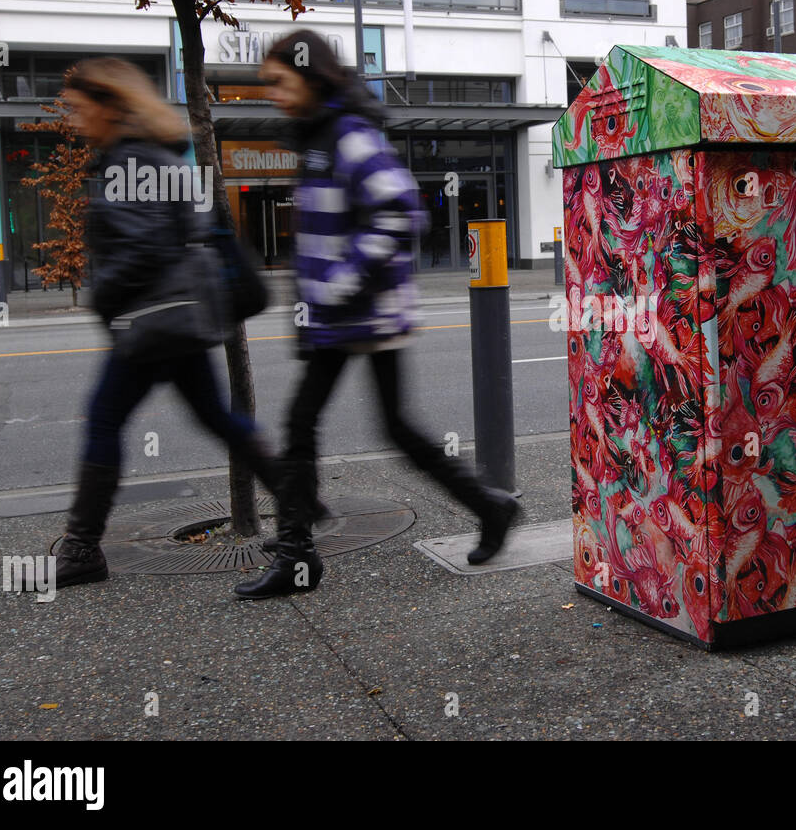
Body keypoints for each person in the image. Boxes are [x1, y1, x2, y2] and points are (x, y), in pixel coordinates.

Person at [235, 30, 519, 600]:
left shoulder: (348, 135)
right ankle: (489, 506)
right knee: (386, 428)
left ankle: (299, 555)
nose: (273, 95)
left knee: (305, 425)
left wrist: (339, 284)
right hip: (346, 317)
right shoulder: (321, 134)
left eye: (279, 82)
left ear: (310, 76)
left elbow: (400, 213)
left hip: (361, 315)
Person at [56, 59, 285, 589]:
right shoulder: (150, 155)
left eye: (78, 107)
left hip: (150, 320)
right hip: (172, 318)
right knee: (215, 418)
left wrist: (103, 296)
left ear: (110, 106)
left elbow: (147, 246)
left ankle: (83, 548)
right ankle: (299, 498)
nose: (73, 118)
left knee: (104, 420)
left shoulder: (132, 160)